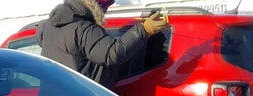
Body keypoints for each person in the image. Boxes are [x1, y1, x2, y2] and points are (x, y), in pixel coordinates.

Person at [37, 0, 170, 89]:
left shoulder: (48, 26)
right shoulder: (84, 29)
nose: (105, 10)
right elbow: (112, 53)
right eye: (105, 5)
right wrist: (144, 30)